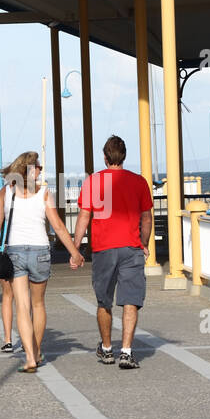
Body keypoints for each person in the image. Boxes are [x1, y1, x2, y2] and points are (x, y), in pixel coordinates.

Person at [0, 150, 84, 372]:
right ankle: (37, 350)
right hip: (40, 251)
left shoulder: (6, 192)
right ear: (29, 169)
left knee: (22, 306)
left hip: (16, 253)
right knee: (38, 304)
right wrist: (75, 253)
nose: (40, 170)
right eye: (38, 166)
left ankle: (30, 357)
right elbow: (58, 226)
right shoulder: (44, 193)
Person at [72, 134, 153, 370]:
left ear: (105, 157)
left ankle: (107, 349)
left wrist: (75, 247)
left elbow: (84, 216)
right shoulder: (139, 182)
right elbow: (146, 217)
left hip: (103, 248)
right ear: (124, 156)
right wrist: (144, 243)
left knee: (104, 301)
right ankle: (126, 352)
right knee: (130, 300)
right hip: (131, 248)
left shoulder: (93, 182)